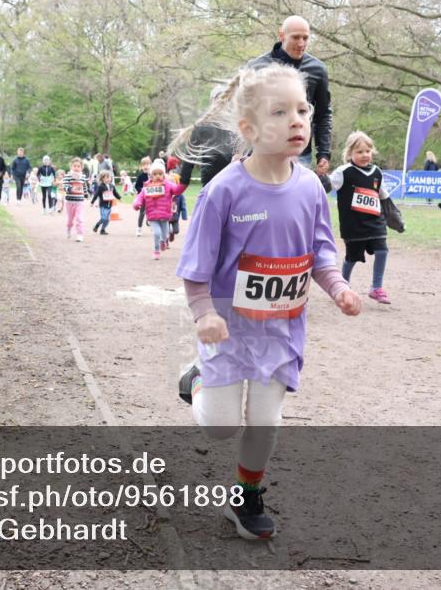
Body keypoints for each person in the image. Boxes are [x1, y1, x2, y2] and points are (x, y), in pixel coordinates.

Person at [174, 63, 362, 540]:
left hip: (280, 329)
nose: (297, 121)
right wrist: (204, 314)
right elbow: (195, 269)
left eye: (302, 109)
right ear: (249, 129)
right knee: (218, 427)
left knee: (265, 421)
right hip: (227, 329)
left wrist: (337, 286)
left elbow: (321, 250)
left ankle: (245, 497)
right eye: (280, 112)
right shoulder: (222, 192)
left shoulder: (311, 188)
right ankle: (196, 378)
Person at [249, 16, 332, 175]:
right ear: (282, 35)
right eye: (295, 37)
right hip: (264, 147)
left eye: (305, 38)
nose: (301, 43)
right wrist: (239, 150)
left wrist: (324, 153)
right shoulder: (257, 67)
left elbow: (323, 114)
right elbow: (246, 112)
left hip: (300, 151)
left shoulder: (317, 69)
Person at [330, 131, 393, 304]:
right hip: (354, 226)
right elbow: (326, 186)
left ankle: (376, 287)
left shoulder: (377, 172)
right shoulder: (344, 172)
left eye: (368, 151)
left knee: (382, 250)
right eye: (359, 152)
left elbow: (383, 195)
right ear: (350, 154)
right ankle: (342, 286)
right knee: (352, 258)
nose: (365, 155)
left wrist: (393, 216)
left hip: (375, 223)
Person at [132, 159, 181, 259]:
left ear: (163, 175)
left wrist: (183, 184)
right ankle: (156, 250)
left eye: (160, 173)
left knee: (165, 234)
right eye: (155, 174)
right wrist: (137, 204)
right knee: (156, 233)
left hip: (165, 216)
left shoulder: (168, 185)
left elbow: (177, 189)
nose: (157, 176)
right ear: (151, 175)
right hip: (153, 216)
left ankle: (163, 241)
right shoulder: (147, 186)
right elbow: (140, 197)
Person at [62, 157, 89, 242]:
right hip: (70, 201)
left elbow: (84, 186)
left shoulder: (83, 176)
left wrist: (85, 193)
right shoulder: (68, 176)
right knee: (70, 219)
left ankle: (79, 234)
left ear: (81, 167)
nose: (76, 168)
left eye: (78, 166)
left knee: (79, 218)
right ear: (71, 166)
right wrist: (71, 188)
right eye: (75, 166)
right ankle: (69, 229)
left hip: (79, 201)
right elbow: (64, 186)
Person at [91, 170, 122, 235]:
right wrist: (92, 201)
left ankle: (103, 230)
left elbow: (115, 193)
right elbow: (96, 194)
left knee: (107, 219)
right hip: (103, 205)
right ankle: (97, 225)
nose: (109, 179)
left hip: (109, 205)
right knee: (103, 218)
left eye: (110, 177)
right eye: (107, 177)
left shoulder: (112, 186)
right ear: (102, 179)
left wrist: (119, 198)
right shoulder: (101, 186)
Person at [134, 157, 152, 236]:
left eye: (147, 164)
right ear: (141, 166)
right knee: (142, 212)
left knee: (152, 212)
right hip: (144, 198)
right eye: (144, 164)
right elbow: (137, 186)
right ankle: (139, 229)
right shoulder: (141, 176)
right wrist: (142, 190)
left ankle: (152, 225)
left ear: (151, 165)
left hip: (152, 197)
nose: (146, 166)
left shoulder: (153, 174)